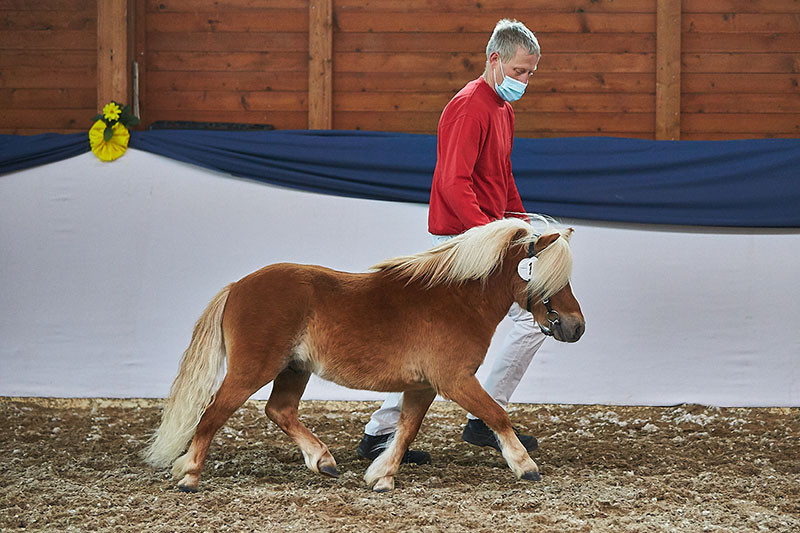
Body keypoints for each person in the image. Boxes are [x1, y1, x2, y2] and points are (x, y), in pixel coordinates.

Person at [357, 19, 544, 464]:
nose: (524, 81)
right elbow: (452, 181)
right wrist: (489, 237)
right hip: (465, 238)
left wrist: (522, 229)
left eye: (530, 74)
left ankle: (382, 433)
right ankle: (481, 419)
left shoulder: (502, 108)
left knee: (444, 340)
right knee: (531, 319)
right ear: (494, 59)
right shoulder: (469, 107)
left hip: (481, 234)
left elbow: (503, 178)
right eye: (519, 71)